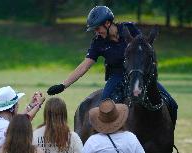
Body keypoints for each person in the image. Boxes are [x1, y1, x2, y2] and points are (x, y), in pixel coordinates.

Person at [47, 6, 178, 123]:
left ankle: (168, 141)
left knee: (172, 103)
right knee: (103, 107)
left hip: (138, 74)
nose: (96, 32)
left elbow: (143, 47)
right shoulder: (98, 42)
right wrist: (63, 85)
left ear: (108, 23)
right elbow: (84, 65)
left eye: (97, 28)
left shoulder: (129, 28)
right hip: (117, 75)